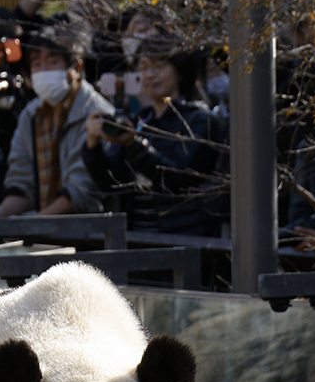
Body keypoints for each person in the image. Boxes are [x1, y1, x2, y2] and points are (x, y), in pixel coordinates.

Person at [83, 40, 223, 236]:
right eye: (143, 67)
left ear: (180, 70)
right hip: (136, 236)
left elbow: (177, 177)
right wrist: (92, 145)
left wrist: (134, 144)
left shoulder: (199, 120)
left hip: (186, 237)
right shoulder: (138, 121)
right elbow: (111, 183)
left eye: (158, 66)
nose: (149, 75)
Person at [0, 25, 112, 217]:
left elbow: (82, 189)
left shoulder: (96, 113)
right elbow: (21, 179)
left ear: (77, 67)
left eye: (52, 61)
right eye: (36, 64)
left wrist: (34, 223)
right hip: (42, 234)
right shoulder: (31, 115)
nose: (43, 71)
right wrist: (0, 213)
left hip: (91, 234)